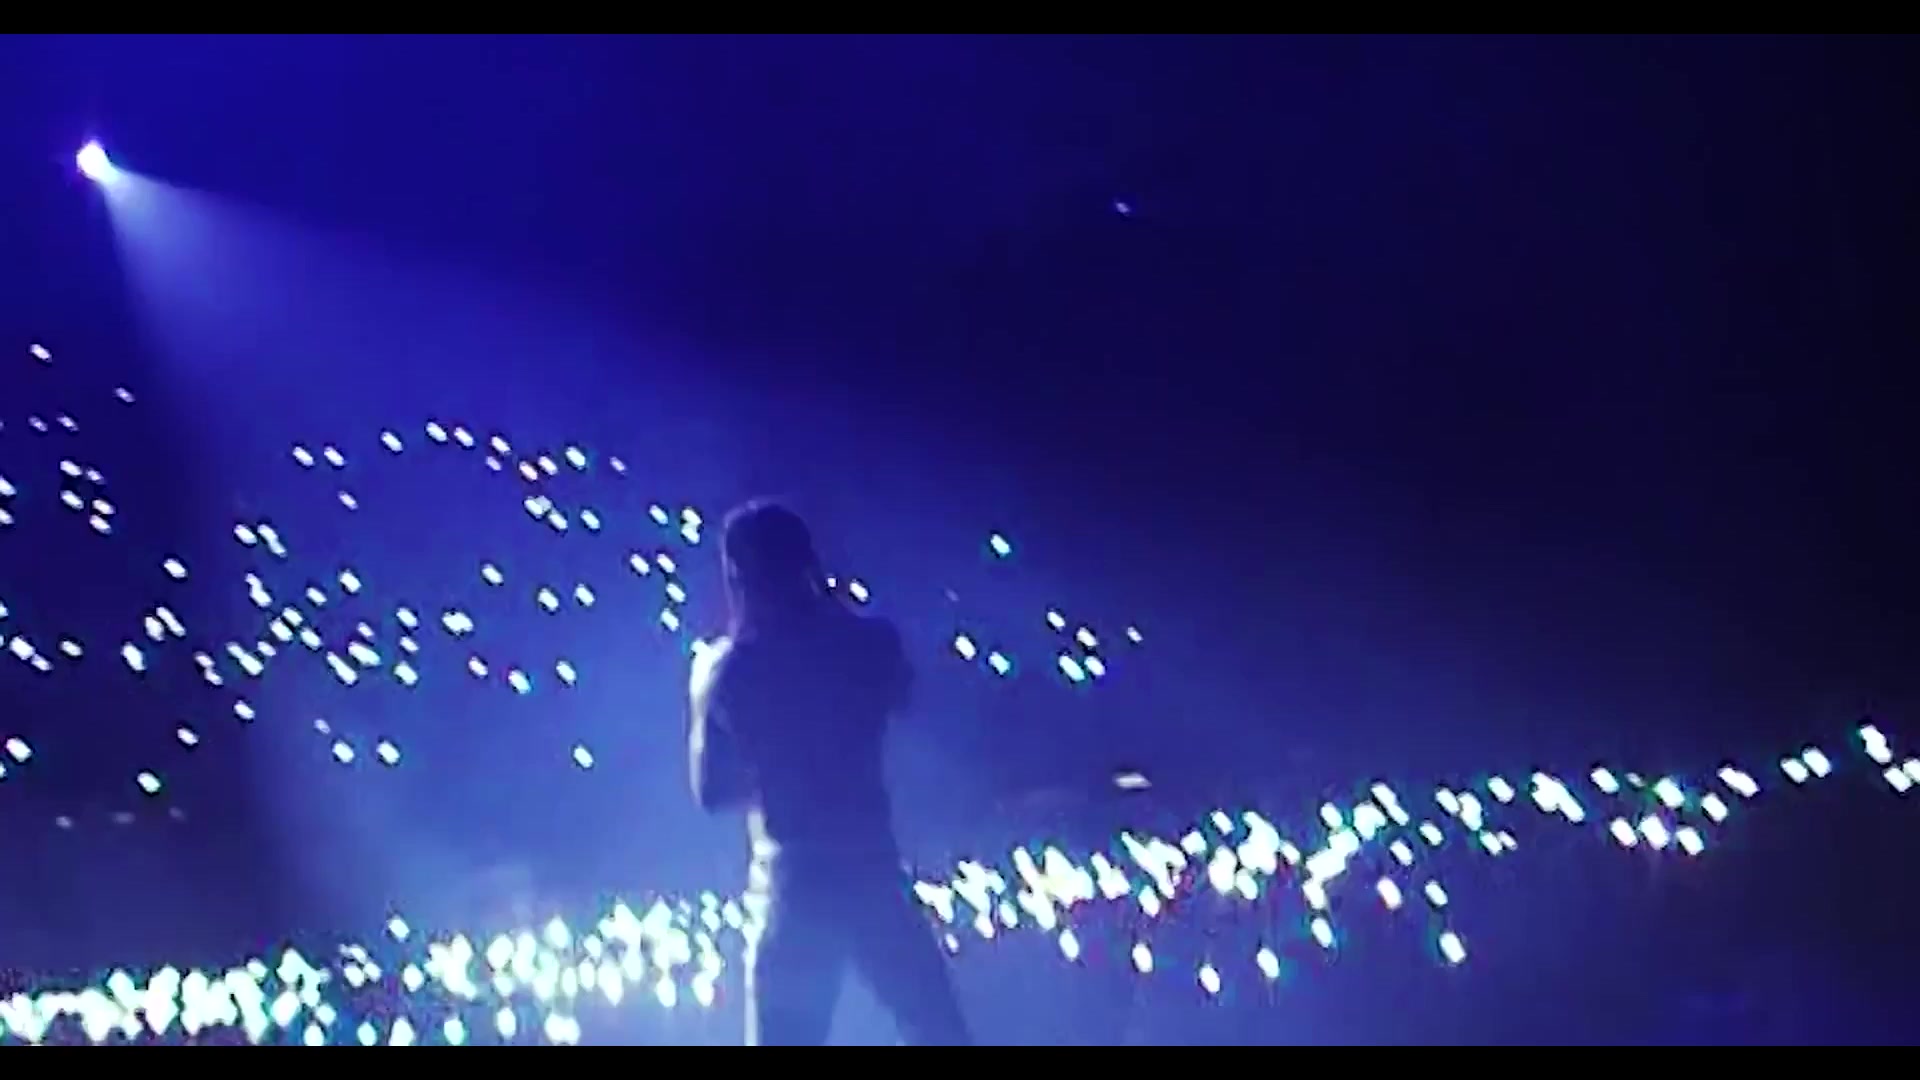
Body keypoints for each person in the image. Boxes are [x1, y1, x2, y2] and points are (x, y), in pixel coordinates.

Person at [688, 499, 971, 1046]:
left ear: (735, 576)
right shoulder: (867, 644)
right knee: (938, 1033)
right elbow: (907, 695)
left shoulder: (727, 669)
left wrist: (774, 756)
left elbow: (711, 792)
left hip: (793, 879)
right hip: (870, 866)